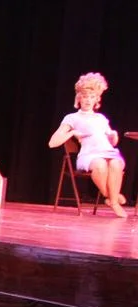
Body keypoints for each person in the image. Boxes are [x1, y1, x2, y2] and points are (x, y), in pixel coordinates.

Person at [49, 71, 127, 218]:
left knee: (117, 164)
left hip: (108, 151)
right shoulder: (72, 117)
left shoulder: (101, 118)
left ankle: (112, 198)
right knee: (100, 165)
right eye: (85, 97)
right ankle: (113, 200)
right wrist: (72, 133)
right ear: (79, 98)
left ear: (96, 100)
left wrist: (113, 136)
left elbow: (112, 142)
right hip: (89, 155)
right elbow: (52, 143)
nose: (88, 100)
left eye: (91, 97)